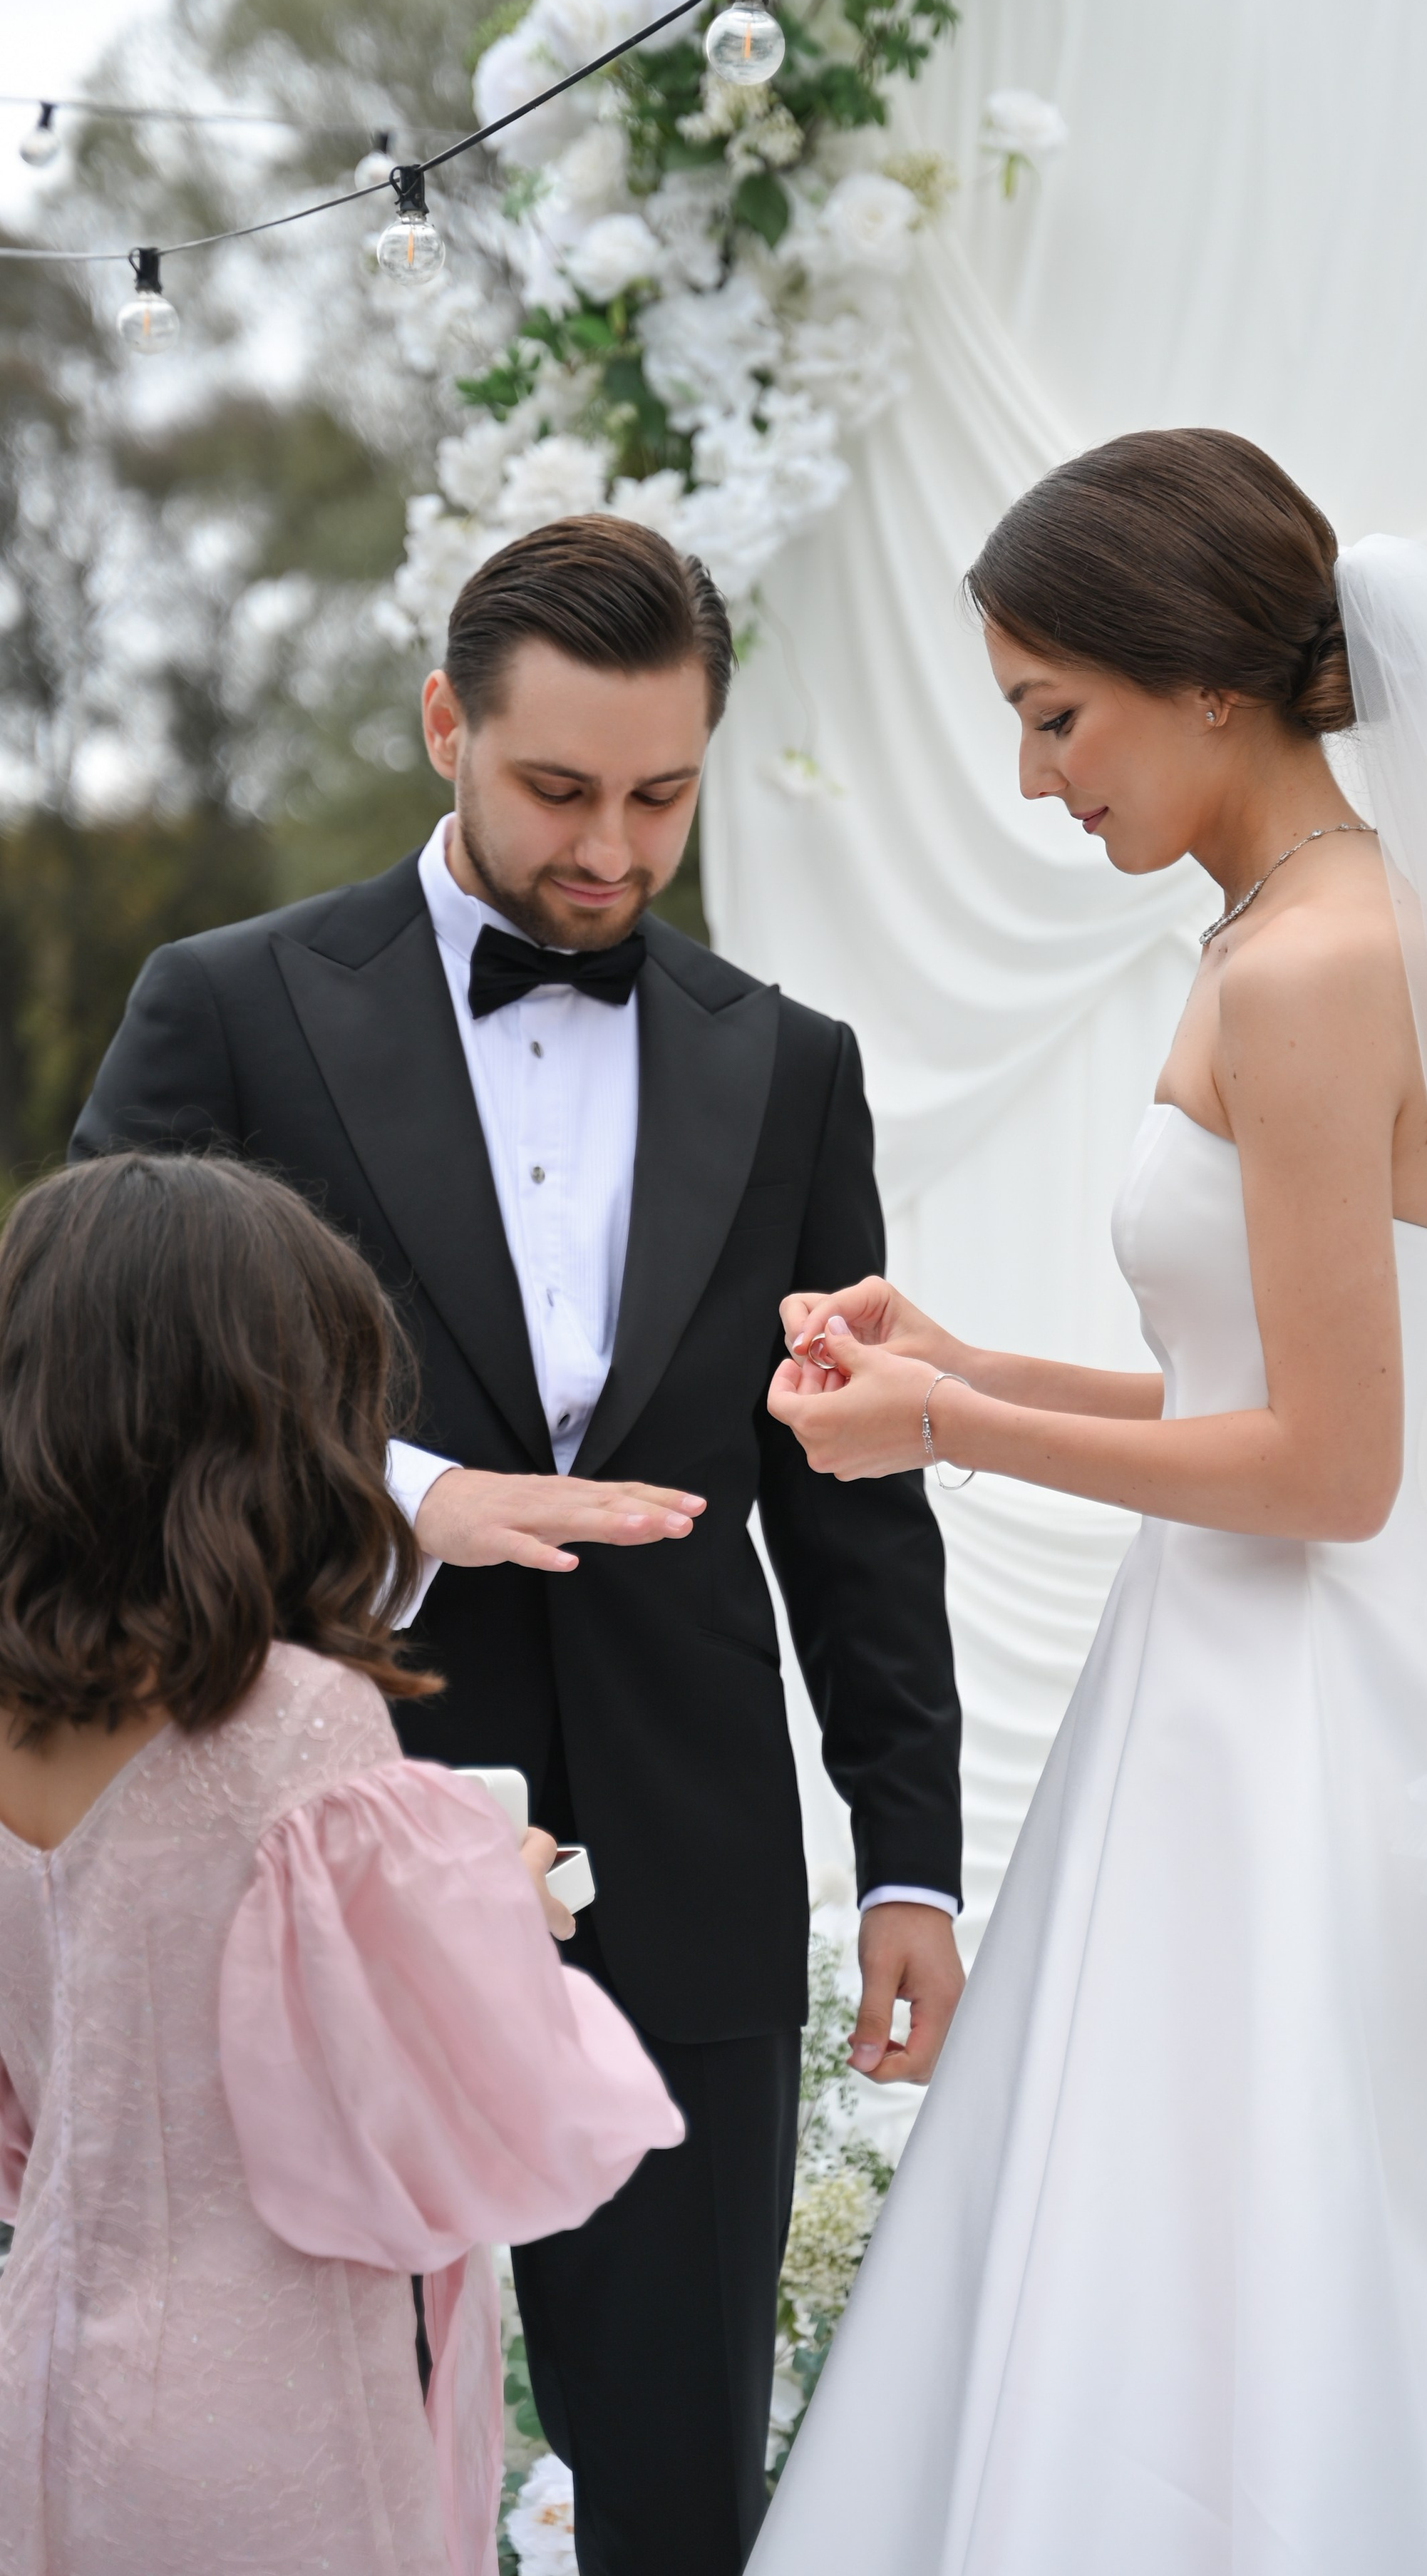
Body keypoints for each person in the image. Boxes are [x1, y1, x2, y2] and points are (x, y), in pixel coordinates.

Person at [753, 432, 1427, 2573]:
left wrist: (941, 1441)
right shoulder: (1277, 927)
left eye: (1056, 715)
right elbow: (1243, 1386)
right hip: (1232, 1675)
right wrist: (960, 1361)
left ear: (1204, 682)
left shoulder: (1322, 962)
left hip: (1318, 1707)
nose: (1042, 779)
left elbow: (1332, 1474)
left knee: (1301, 2244)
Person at [69, 515, 964, 2576]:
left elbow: (857, 1490)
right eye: (561, 788)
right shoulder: (225, 1006)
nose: (614, 850)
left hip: (694, 1849)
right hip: (315, 1826)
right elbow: (94, 1386)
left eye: (664, 795)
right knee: (325, 2464)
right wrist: (402, 1494)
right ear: (444, 725)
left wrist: (906, 1848)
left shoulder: (789, 1065)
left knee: (676, 2488)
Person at [0, 1151, 683, 2576]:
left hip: (46, 2372)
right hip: (280, 2400)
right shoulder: (295, 1719)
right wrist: (502, 1895)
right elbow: (437, 2123)